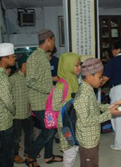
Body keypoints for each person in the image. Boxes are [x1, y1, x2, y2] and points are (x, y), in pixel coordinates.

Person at [74, 58, 121, 167]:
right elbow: (86, 121)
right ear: (89, 76)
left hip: (92, 135)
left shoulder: (88, 89)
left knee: (91, 162)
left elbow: (95, 106)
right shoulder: (82, 95)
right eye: (99, 77)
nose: (101, 80)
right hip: (88, 140)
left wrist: (109, 107)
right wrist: (109, 114)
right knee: (91, 163)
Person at [26, 29, 63, 167]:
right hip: (39, 102)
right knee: (49, 131)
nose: (54, 44)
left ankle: (48, 156)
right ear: (48, 40)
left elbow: (42, 79)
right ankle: (30, 155)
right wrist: (50, 89)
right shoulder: (35, 57)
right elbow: (30, 81)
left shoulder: (42, 56)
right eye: (53, 40)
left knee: (51, 127)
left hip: (46, 101)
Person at [52, 52, 81, 167]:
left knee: (74, 147)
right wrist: (71, 102)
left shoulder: (74, 79)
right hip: (65, 122)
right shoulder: (61, 85)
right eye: (76, 65)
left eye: (80, 65)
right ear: (68, 65)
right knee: (70, 150)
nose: (79, 67)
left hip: (73, 119)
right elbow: (55, 105)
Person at [9, 55, 34, 164]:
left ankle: (27, 152)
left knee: (30, 133)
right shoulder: (13, 78)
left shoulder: (27, 78)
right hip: (16, 114)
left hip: (26, 112)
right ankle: (14, 155)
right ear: (24, 65)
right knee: (16, 137)